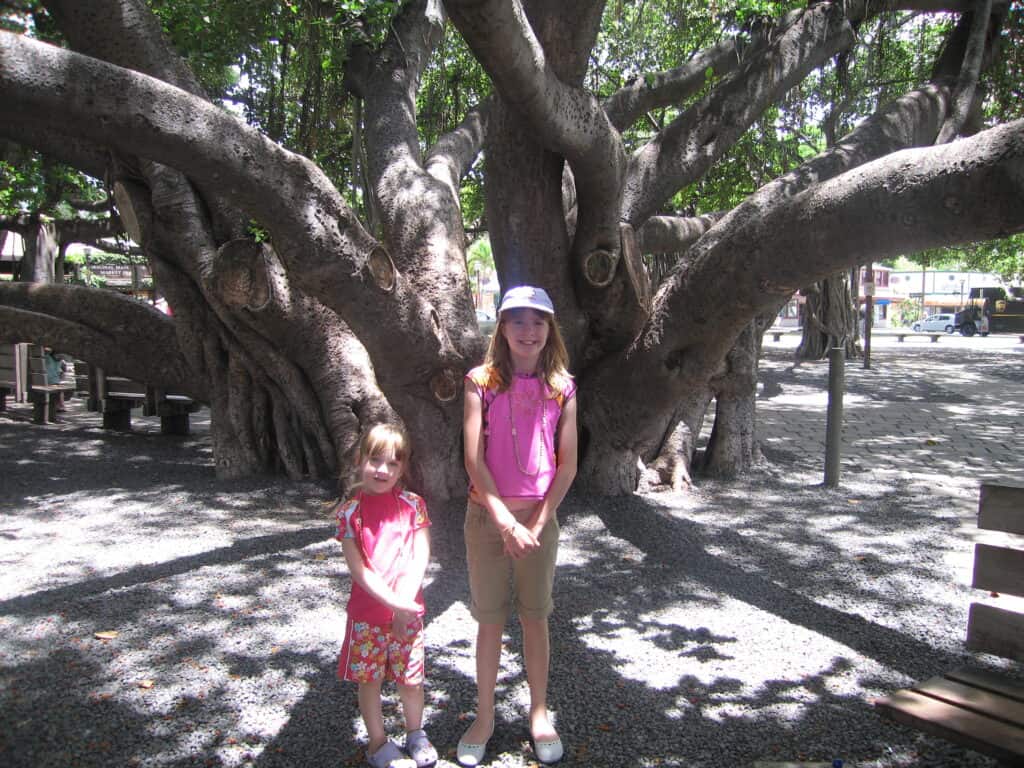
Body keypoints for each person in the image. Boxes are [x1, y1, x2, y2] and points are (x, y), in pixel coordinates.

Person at [459, 285, 578, 766]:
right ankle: (484, 716)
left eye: (538, 322)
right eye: (517, 321)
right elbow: (472, 459)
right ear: (502, 327)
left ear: (550, 330)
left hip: (538, 521)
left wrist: (537, 522)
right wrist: (505, 522)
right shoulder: (479, 381)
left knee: (535, 616)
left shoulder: (563, 385)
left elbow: (566, 465)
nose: (528, 332)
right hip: (487, 519)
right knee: (489, 621)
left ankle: (539, 712)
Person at [335, 423, 437, 768]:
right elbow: (359, 570)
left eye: (393, 463)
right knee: (371, 681)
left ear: (402, 468)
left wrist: (403, 605)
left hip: (408, 612)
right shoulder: (350, 513)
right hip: (368, 616)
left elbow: (420, 555)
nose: (383, 470)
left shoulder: (413, 505)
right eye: (376, 460)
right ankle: (378, 743)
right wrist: (391, 603)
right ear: (360, 459)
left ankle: (415, 732)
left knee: (411, 678)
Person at [42, 347, 67, 411]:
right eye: (59, 355)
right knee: (58, 388)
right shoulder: (48, 358)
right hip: (49, 381)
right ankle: (60, 405)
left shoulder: (58, 360)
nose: (61, 357)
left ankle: (60, 405)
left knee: (58, 387)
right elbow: (64, 371)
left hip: (50, 380)